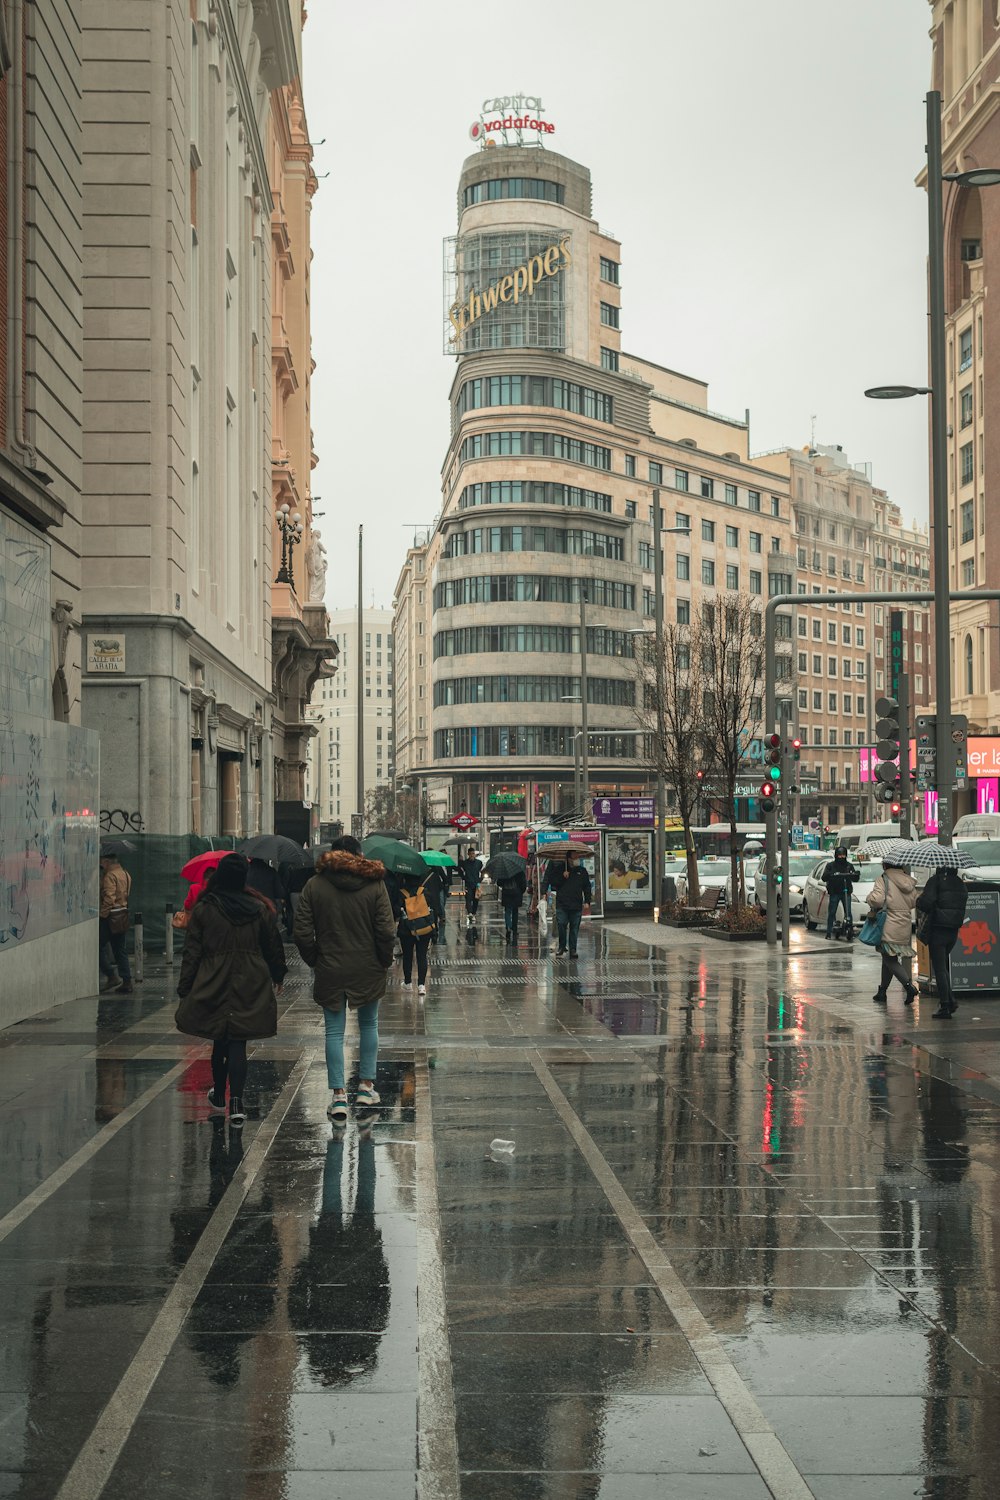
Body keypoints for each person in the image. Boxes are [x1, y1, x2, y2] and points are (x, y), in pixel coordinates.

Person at [175, 853, 287, 1124]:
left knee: (219, 1039)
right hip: (250, 978)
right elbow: (273, 945)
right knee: (239, 1041)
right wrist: (278, 974)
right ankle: (236, 1101)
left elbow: (192, 952)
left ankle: (219, 1095)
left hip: (214, 977)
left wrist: (185, 986)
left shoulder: (204, 908)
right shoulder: (259, 908)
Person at [293, 836, 396, 1121]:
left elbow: (301, 932)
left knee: (334, 1032)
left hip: (330, 966)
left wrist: (316, 958)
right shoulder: (375, 884)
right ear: (359, 855)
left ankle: (339, 1096)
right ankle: (365, 1086)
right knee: (369, 1024)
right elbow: (386, 931)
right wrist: (384, 959)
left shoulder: (315, 885)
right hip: (368, 966)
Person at [916, 865, 969, 1019]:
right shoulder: (960, 883)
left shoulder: (936, 881)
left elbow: (925, 903)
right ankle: (950, 1001)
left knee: (939, 969)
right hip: (953, 931)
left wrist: (919, 899)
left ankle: (945, 1005)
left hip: (938, 929)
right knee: (943, 966)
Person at [867, 861, 918, 1006]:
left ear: (885, 866)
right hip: (904, 924)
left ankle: (909, 987)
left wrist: (869, 897)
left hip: (888, 923)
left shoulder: (884, 879)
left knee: (890, 960)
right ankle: (882, 991)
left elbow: (876, 900)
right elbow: (914, 902)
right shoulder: (908, 880)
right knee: (888, 957)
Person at [397, 869, 438, 994]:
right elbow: (433, 910)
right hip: (424, 929)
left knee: (407, 956)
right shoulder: (425, 892)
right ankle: (421, 985)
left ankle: (408, 982)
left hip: (406, 930)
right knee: (422, 956)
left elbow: (396, 910)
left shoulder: (401, 893)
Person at [545, 853, 592, 957]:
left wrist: (587, 901)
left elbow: (587, 887)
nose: (577, 859)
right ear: (569, 859)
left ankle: (573, 949)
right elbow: (553, 882)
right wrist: (562, 877)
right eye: (574, 857)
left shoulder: (582, 871)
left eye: (577, 857)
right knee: (561, 925)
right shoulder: (560, 869)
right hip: (562, 904)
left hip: (576, 904)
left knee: (574, 928)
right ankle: (562, 946)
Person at [98, 852, 133, 994]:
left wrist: (102, 915)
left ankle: (111, 975)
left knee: (96, 946)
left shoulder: (110, 876)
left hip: (111, 916)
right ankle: (127, 981)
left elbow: (109, 898)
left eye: (101, 862)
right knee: (120, 949)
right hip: (122, 914)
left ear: (106, 862)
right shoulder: (125, 873)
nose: (100, 865)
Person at [822, 847, 859, 939]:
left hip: (846, 891)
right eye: (840, 855)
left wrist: (855, 874)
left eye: (843, 855)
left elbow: (855, 878)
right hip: (834, 892)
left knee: (848, 912)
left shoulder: (849, 866)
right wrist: (831, 875)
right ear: (836, 855)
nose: (841, 857)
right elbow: (824, 877)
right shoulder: (831, 866)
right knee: (832, 912)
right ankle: (829, 932)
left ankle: (849, 927)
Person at [499, 868, 527, 943]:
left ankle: (508, 926)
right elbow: (523, 883)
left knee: (507, 911)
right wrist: (521, 891)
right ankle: (514, 929)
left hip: (506, 893)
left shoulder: (503, 871)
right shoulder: (519, 870)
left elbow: (499, 882)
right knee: (515, 912)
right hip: (516, 893)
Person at [460, 849, 483, 927]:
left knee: (476, 899)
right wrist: (464, 877)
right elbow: (460, 870)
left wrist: (480, 879)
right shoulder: (465, 863)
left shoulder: (479, 863)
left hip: (476, 884)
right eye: (471, 854)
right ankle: (470, 912)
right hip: (468, 884)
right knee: (468, 898)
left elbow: (482, 872)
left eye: (473, 854)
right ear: (468, 854)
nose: (472, 855)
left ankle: (473, 913)